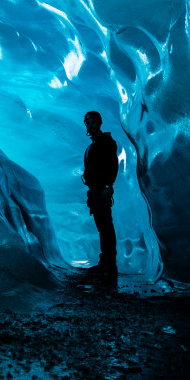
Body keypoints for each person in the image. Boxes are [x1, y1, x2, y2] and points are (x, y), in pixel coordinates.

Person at [82, 110, 118, 273]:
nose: (90, 126)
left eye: (93, 122)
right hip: (95, 191)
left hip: (101, 190)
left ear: (99, 122)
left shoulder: (106, 142)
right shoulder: (93, 146)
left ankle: (109, 262)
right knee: (102, 226)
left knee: (106, 226)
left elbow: (112, 165)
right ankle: (105, 260)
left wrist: (107, 186)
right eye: (88, 123)